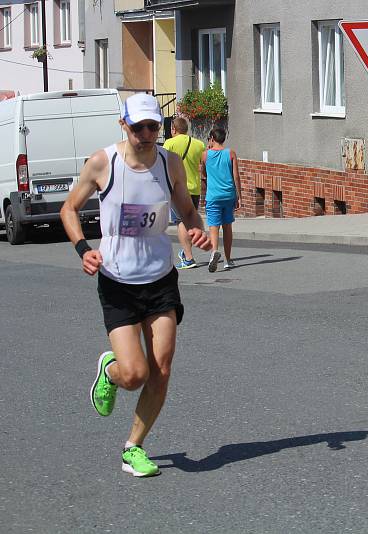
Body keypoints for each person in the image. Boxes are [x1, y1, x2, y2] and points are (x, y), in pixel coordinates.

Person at [60, 93, 212, 478]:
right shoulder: (102, 163)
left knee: (161, 368)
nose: (146, 134)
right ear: (123, 125)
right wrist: (83, 249)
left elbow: (187, 209)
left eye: (153, 127)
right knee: (135, 374)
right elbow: (69, 209)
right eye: (138, 127)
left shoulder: (169, 162)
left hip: (160, 278)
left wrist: (198, 228)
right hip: (117, 282)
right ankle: (111, 371)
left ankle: (133, 447)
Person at [163, 117, 206, 269]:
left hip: (177, 188)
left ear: (173, 129)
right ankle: (187, 251)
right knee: (189, 220)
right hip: (194, 188)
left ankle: (188, 258)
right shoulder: (199, 144)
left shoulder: (169, 143)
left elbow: (164, 164)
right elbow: (203, 165)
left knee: (180, 221)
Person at [200, 128, 242, 272]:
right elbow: (236, 176)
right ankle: (228, 259)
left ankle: (214, 253)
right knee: (227, 226)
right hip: (228, 195)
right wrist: (239, 195)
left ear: (212, 138)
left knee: (213, 226)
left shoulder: (205, 155)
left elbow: (203, 175)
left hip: (213, 196)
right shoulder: (231, 153)